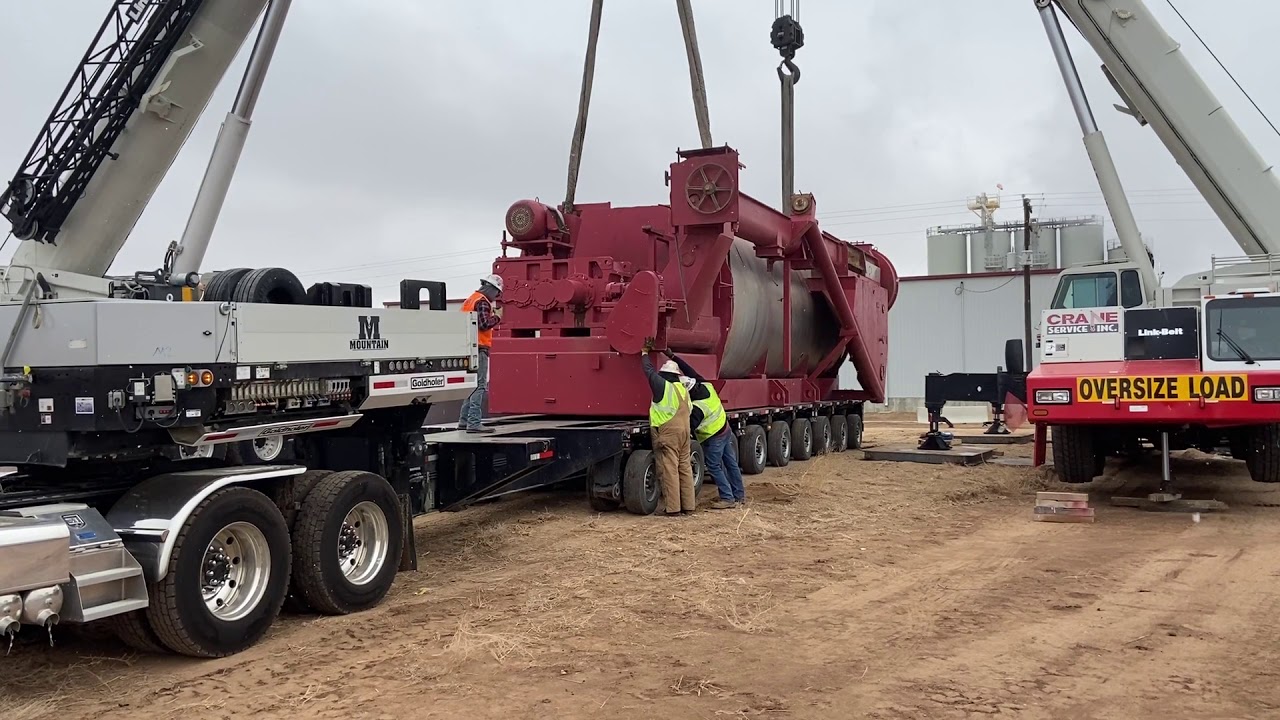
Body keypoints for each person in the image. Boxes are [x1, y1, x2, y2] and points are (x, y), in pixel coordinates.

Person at [663, 349, 745, 509]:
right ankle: (739, 495)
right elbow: (689, 371)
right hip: (726, 429)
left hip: (715, 436)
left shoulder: (698, 408)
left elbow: (689, 428)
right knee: (730, 463)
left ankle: (728, 498)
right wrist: (673, 356)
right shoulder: (706, 385)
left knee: (713, 465)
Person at [640, 342, 696, 515]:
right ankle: (689, 506)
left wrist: (644, 353)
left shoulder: (663, 386)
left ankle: (673, 509)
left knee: (670, 469)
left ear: (664, 374)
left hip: (668, 432)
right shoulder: (683, 390)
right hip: (685, 432)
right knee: (685, 468)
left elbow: (648, 371)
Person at [458, 273, 503, 433]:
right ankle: (474, 423)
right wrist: (497, 317)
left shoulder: (470, 299)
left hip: (468, 348)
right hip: (479, 348)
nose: (497, 297)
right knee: (480, 385)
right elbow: (484, 324)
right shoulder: (483, 302)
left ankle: (464, 421)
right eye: (497, 293)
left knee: (471, 385)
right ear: (491, 289)